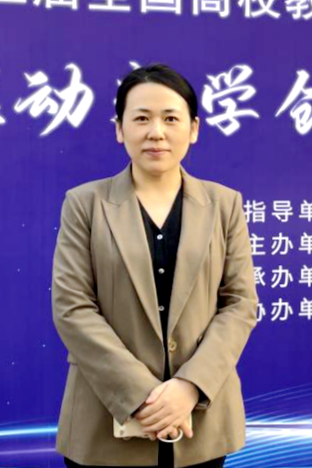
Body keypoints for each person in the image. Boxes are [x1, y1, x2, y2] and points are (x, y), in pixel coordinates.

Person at [51, 63, 258, 468]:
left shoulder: (224, 204)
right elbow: (72, 308)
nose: (156, 132)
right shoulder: (85, 204)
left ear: (194, 129)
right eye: (142, 118)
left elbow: (239, 303)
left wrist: (189, 387)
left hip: (199, 422)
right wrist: (143, 395)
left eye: (170, 118)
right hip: (105, 423)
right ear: (119, 129)